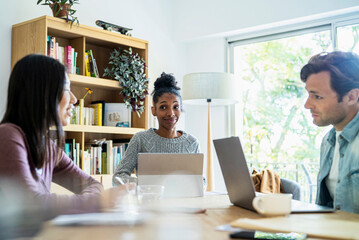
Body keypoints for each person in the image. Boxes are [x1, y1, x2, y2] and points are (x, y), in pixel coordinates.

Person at [0, 54, 127, 219]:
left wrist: (95, 200)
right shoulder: (8, 136)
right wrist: (97, 201)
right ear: (43, 94)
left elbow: (92, 184)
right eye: (67, 89)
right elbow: (31, 206)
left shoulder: (47, 146)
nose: (74, 99)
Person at [113, 72, 201, 185]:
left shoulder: (192, 143)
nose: (171, 113)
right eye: (163, 107)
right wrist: (146, 186)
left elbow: (201, 182)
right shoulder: (140, 139)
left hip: (182, 201)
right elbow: (118, 177)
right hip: (148, 200)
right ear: (154, 110)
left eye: (176, 107)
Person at [300, 51, 359, 213]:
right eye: (308, 94)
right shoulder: (328, 141)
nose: (307, 105)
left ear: (352, 97)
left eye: (317, 97)